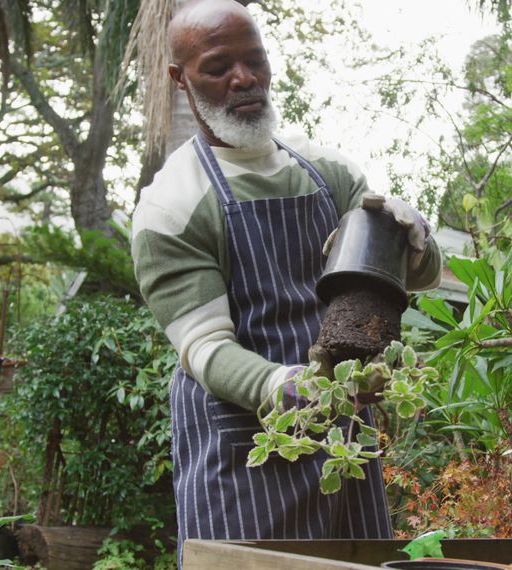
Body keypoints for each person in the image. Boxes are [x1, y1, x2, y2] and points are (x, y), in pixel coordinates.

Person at [131, 0, 442, 558]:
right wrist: (287, 385)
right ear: (180, 79)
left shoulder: (330, 173)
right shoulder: (171, 207)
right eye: (218, 66)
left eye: (255, 60)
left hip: (341, 435)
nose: (244, 78)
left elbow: (399, 282)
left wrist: (412, 239)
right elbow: (203, 348)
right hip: (242, 442)